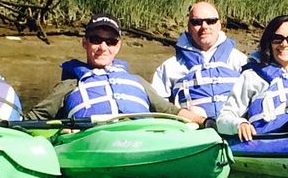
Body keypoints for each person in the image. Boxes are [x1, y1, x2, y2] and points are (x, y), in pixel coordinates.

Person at [26, 14, 198, 122]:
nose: (103, 47)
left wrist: (204, 122)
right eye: (95, 39)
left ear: (118, 46)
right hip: (93, 140)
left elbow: (170, 111)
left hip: (142, 137)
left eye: (110, 41)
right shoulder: (69, 86)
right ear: (85, 43)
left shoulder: (136, 82)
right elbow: (34, 118)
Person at [151, 1, 245, 121]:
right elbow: (158, 106)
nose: (204, 26)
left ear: (219, 24)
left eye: (210, 21)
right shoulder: (170, 67)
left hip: (236, 128)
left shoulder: (240, 61)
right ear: (189, 27)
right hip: (191, 131)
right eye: (197, 22)